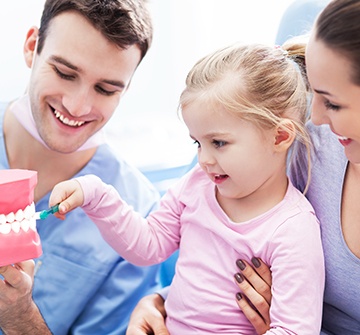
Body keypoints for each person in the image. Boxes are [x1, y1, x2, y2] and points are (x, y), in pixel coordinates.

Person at [50, 42, 325, 334]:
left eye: (218, 143)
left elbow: (293, 329)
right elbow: (149, 245)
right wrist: (95, 194)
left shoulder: (293, 230)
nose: (204, 159)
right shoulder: (197, 185)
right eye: (198, 142)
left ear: (280, 136)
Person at [126, 0, 360, 334]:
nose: (317, 117)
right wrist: (161, 304)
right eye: (317, 97)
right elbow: (214, 244)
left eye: (333, 103)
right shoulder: (306, 144)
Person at [0, 0, 162, 334]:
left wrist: (18, 316)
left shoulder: (139, 219)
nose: (77, 106)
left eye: (105, 89)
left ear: (126, 88)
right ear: (32, 47)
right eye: (64, 73)